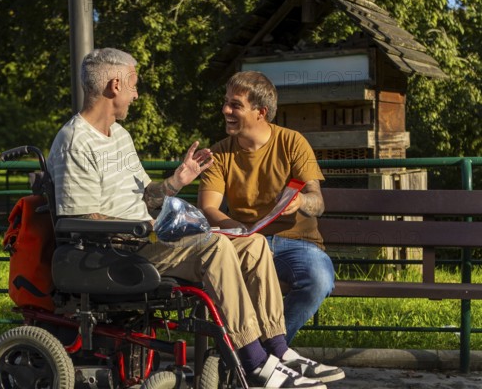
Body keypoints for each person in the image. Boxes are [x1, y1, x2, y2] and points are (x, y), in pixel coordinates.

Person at [47, 48, 343, 387]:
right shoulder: (75, 141)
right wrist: (145, 227)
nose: (136, 93)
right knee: (215, 247)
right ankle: (255, 363)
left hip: (147, 238)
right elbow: (80, 220)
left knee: (255, 243)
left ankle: (276, 349)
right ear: (115, 85)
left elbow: (147, 197)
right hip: (118, 250)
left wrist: (176, 181)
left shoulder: (120, 137)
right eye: (133, 84)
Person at [198, 70, 336, 344]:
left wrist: (300, 201)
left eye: (235, 105)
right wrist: (241, 230)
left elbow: (317, 202)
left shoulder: (292, 142)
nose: (226, 110)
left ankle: (264, 353)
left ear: (260, 112)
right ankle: (262, 358)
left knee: (319, 279)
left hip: (295, 243)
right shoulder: (221, 152)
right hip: (245, 243)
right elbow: (208, 209)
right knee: (218, 280)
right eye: (226, 102)